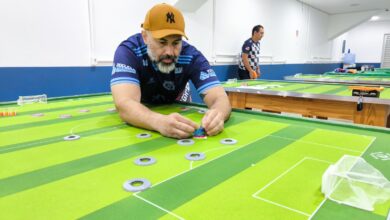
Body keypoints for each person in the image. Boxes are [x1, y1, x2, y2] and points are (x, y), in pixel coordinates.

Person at [110, 3, 231, 139]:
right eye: (162, 42)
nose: (169, 52)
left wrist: (218, 114)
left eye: (176, 43)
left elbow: (220, 97)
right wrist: (158, 121)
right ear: (145, 36)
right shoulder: (129, 51)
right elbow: (125, 103)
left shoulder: (191, 55)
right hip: (141, 111)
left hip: (175, 102)